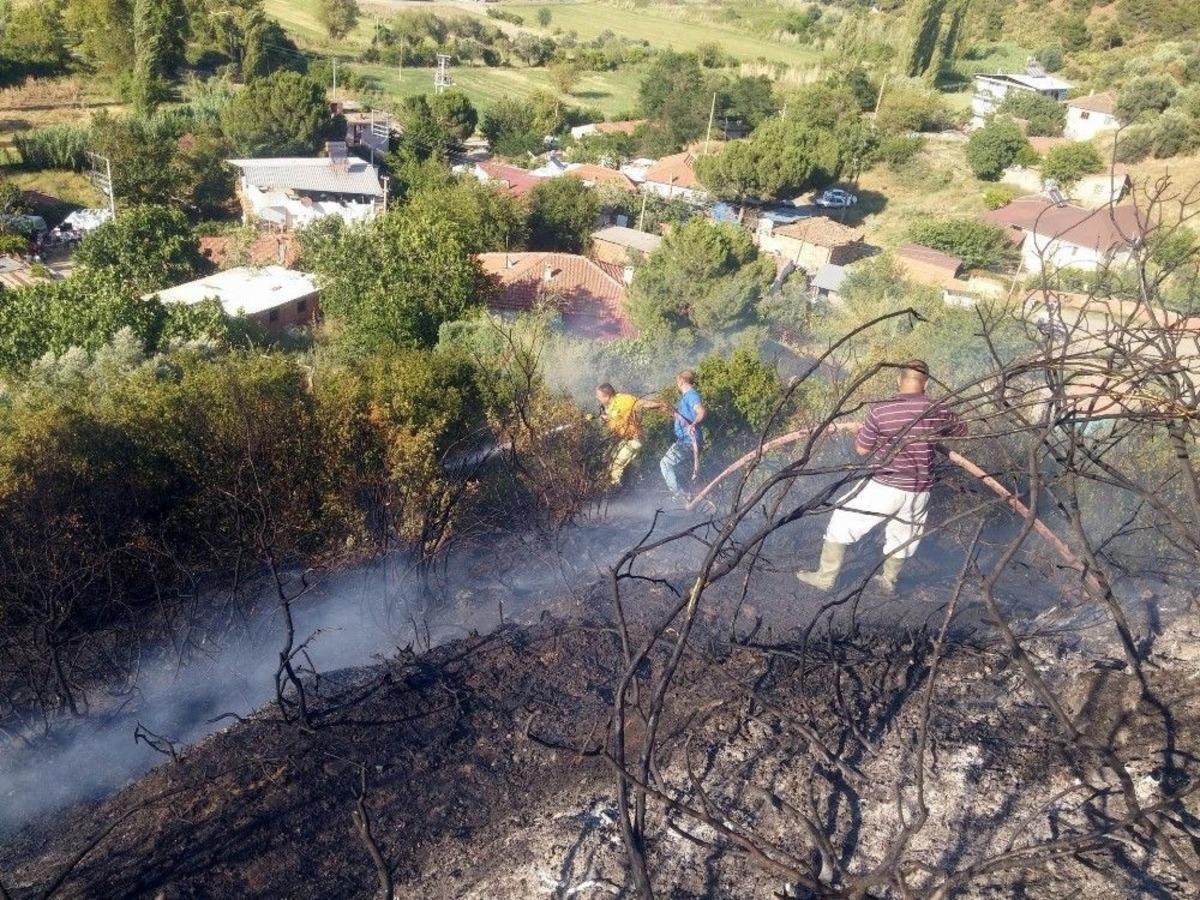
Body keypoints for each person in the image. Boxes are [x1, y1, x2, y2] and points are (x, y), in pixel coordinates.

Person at [797, 360, 967, 595]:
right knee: (903, 536)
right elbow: (961, 429)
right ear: (925, 383)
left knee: (842, 521)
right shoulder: (937, 410)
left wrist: (862, 433)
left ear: (899, 379)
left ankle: (826, 578)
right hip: (920, 490)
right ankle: (888, 582)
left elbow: (862, 450)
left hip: (886, 485)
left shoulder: (881, 410)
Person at [659, 370, 706, 501]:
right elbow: (683, 418)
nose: (676, 384)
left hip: (688, 442)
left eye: (677, 381)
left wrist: (694, 424)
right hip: (685, 441)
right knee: (678, 470)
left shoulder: (691, 395)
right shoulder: (686, 397)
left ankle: (679, 495)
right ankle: (689, 497)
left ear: (681, 381)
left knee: (665, 463)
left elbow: (701, 411)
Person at [595, 383, 653, 486]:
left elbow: (641, 403)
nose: (597, 398)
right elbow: (616, 418)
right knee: (608, 459)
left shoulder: (623, 399)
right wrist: (604, 418)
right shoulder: (610, 406)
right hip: (625, 440)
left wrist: (661, 405)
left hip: (635, 439)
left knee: (617, 463)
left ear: (606, 395)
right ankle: (626, 486)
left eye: (599, 396)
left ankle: (614, 488)